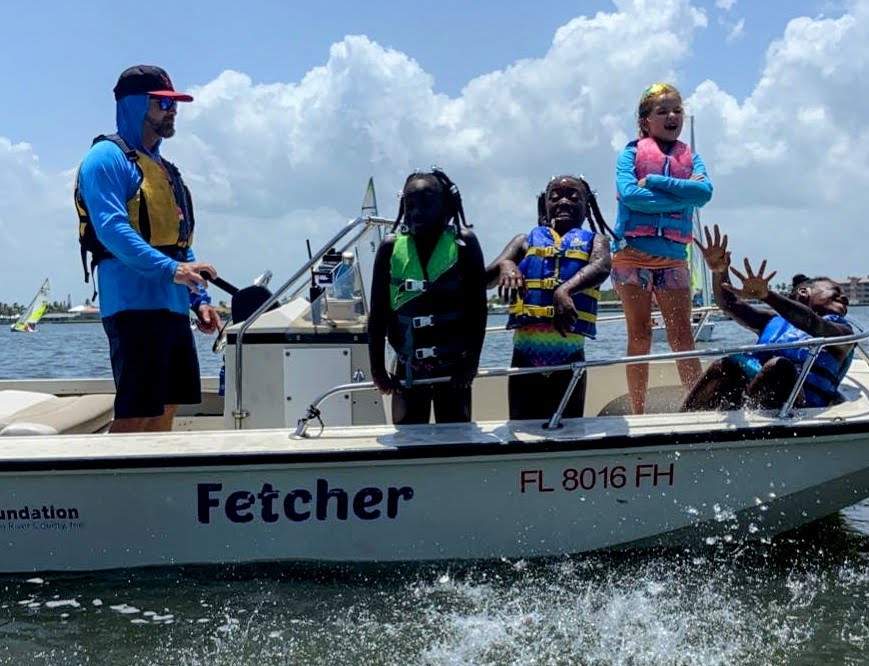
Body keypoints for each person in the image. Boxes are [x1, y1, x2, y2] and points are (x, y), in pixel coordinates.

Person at [75, 65, 222, 433]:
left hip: (172, 307)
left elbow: (181, 244)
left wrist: (199, 299)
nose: (172, 112)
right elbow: (112, 229)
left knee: (167, 407)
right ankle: (108, 484)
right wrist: (173, 271)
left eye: (175, 105)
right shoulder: (105, 160)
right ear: (135, 105)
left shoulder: (168, 171)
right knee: (137, 410)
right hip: (131, 307)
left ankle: (154, 486)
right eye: (162, 104)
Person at [612, 82, 714, 414]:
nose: (672, 116)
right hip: (632, 257)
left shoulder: (691, 157)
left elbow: (704, 195)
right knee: (639, 336)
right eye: (662, 111)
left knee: (682, 336)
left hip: (673, 259)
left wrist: (657, 182)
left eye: (677, 110)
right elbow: (629, 194)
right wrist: (679, 197)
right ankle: (638, 411)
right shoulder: (630, 154)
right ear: (645, 121)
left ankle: (698, 407)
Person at [683, 225, 854, 411]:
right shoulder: (773, 322)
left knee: (780, 367)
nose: (844, 298)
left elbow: (812, 323)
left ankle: (756, 430)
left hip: (802, 408)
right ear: (804, 292)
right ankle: (682, 425)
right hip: (755, 398)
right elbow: (729, 304)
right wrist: (719, 271)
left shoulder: (843, 332)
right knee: (726, 365)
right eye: (836, 292)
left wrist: (767, 296)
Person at [487, 175, 611, 420]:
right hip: (524, 356)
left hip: (570, 356)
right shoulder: (523, 242)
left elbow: (602, 266)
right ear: (545, 204)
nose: (563, 202)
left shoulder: (597, 241)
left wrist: (564, 290)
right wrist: (506, 265)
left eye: (573, 197)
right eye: (555, 197)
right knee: (521, 425)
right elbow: (485, 279)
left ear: (587, 206)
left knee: (570, 426)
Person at [368, 169, 487, 424]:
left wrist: (472, 362)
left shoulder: (465, 244)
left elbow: (479, 310)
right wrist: (377, 369)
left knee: (455, 437)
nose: (417, 211)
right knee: (408, 440)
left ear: (446, 205)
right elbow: (378, 315)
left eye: (427, 202)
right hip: (408, 369)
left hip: (454, 369)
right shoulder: (390, 247)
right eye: (410, 204)